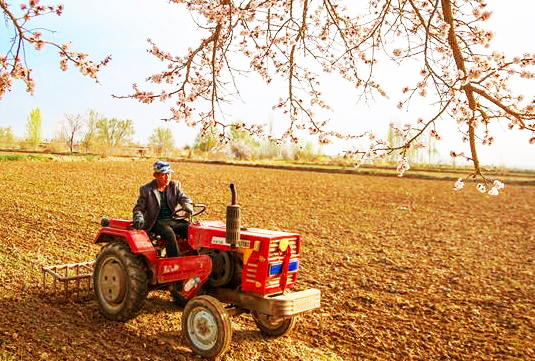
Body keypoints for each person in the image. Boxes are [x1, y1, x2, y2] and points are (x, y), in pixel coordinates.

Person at [132, 160, 194, 257]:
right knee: (169, 234)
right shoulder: (147, 190)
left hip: (172, 219)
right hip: (156, 221)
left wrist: (187, 205)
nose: (167, 177)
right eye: (164, 174)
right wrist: (138, 218)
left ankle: (195, 257)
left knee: (192, 230)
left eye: (169, 174)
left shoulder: (174, 186)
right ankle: (174, 262)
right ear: (156, 175)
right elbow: (138, 208)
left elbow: (183, 198)